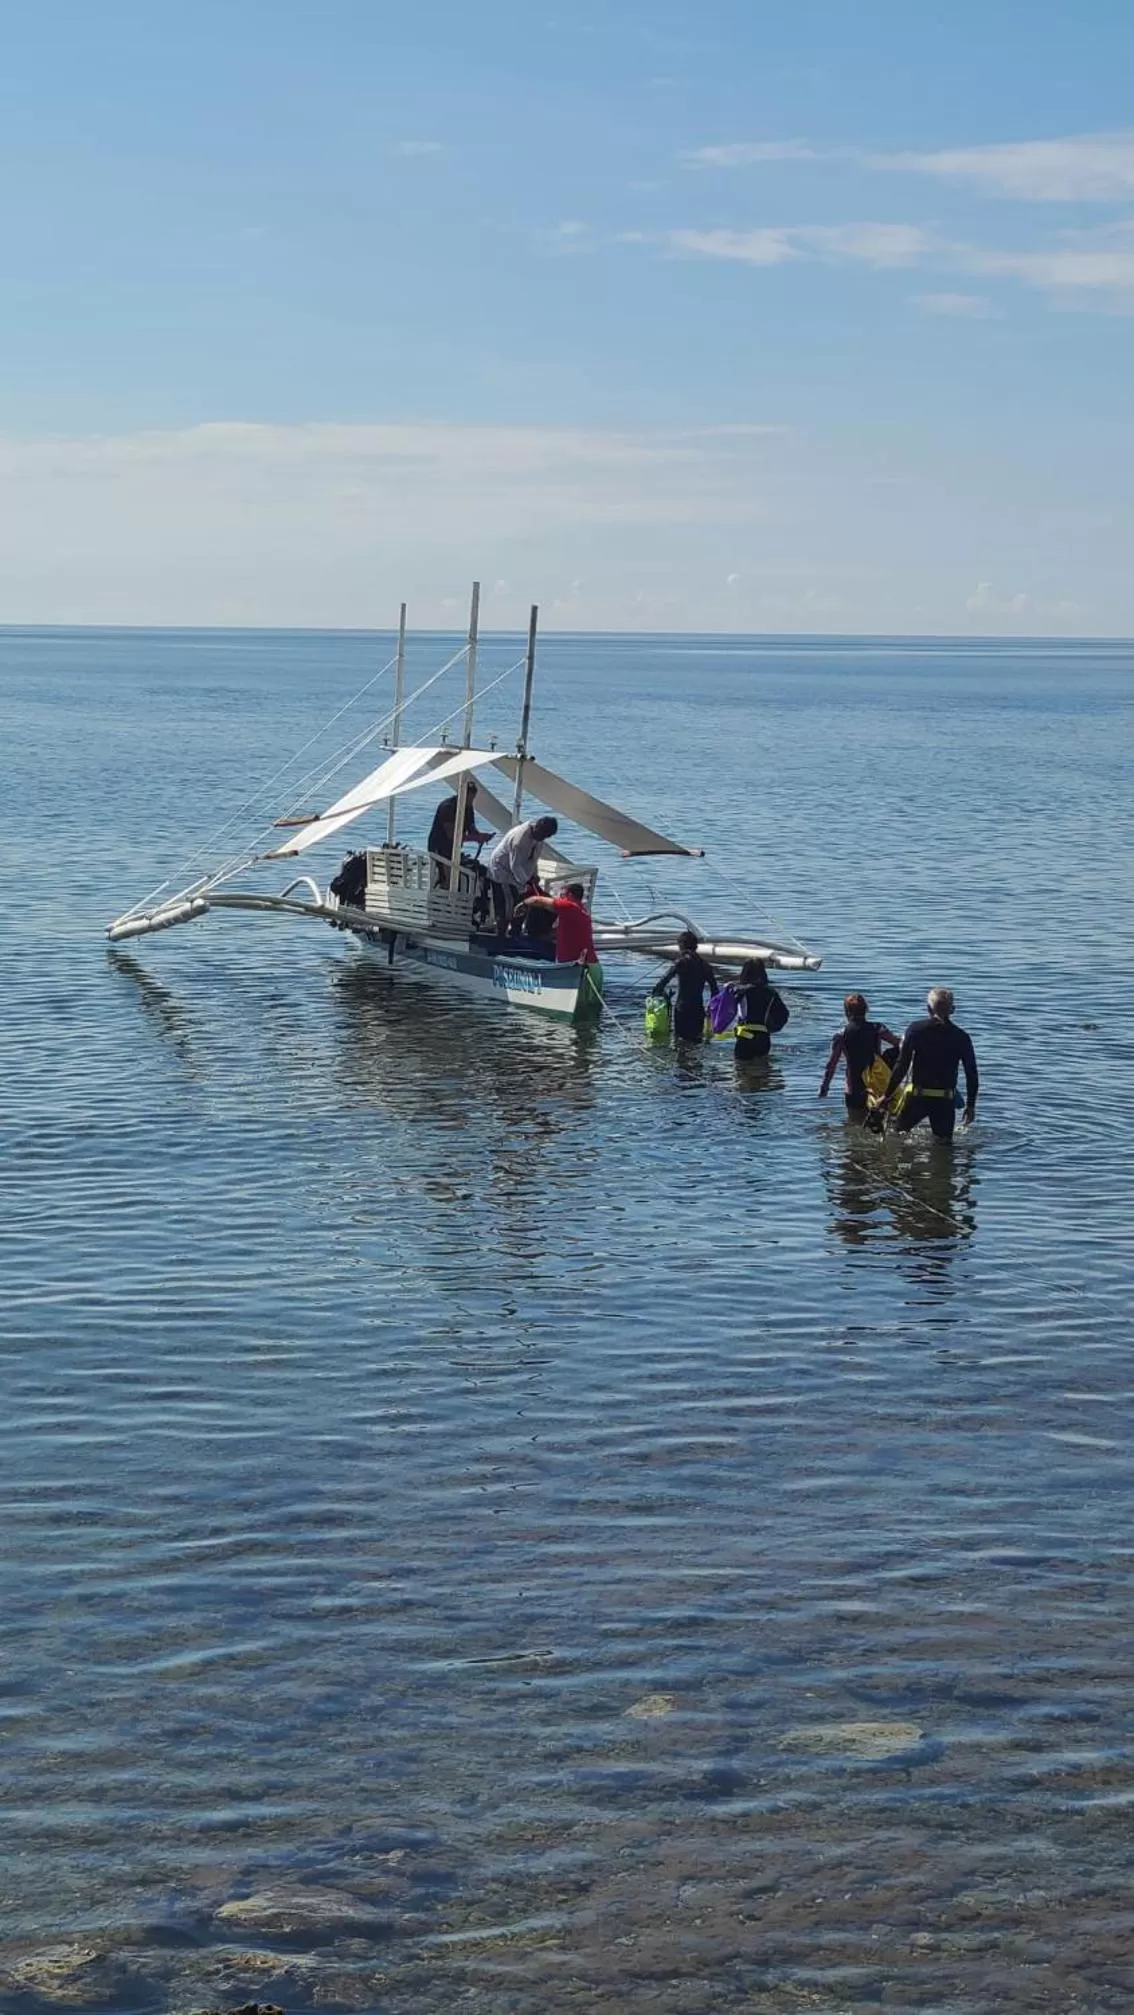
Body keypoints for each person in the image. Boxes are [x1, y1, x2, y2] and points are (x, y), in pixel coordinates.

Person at [885, 986, 979, 1140]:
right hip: (944, 1101)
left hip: (917, 1099)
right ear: (953, 1010)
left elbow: (901, 1066)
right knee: (944, 1148)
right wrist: (970, 1106)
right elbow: (971, 1074)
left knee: (896, 1138)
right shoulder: (961, 1037)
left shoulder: (915, 1030)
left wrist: (886, 1096)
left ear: (928, 1008)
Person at [819, 993, 903, 1116]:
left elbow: (831, 1065)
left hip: (854, 1089)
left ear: (846, 1012)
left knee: (854, 1124)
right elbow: (899, 1044)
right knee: (880, 1122)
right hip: (877, 1086)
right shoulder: (878, 1028)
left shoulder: (841, 1035)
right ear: (866, 1009)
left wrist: (824, 1087)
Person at [485, 815, 559, 936]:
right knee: (506, 908)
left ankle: (515, 932)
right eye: (543, 834)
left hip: (519, 877)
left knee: (522, 904)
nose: (543, 838)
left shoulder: (539, 839)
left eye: (546, 836)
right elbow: (515, 865)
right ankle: (501, 936)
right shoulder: (520, 840)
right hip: (502, 873)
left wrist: (534, 875)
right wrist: (527, 880)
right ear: (537, 828)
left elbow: (533, 860)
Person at [651, 930, 718, 1044]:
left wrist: (666, 998)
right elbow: (715, 991)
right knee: (696, 1042)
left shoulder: (681, 963)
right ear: (695, 946)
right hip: (698, 1010)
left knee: (680, 1043)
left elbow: (659, 987)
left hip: (682, 1009)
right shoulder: (705, 965)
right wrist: (710, 1010)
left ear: (681, 945)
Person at [513, 882, 598, 965]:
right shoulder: (582, 911)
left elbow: (537, 900)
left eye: (561, 895)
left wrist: (523, 904)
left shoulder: (569, 906)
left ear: (569, 895)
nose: (559, 898)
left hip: (579, 965)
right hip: (591, 964)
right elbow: (561, 933)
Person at [427, 783, 494, 886]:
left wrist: (481, 836)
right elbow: (452, 835)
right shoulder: (448, 807)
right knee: (449, 879)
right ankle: (446, 894)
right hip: (439, 849)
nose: (469, 802)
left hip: (454, 850)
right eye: (468, 798)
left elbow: (471, 829)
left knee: (475, 870)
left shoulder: (469, 808)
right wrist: (476, 838)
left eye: (472, 798)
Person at [731, 958, 789, 1061]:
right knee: (763, 1070)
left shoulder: (740, 991)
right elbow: (784, 1014)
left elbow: (725, 1010)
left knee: (741, 1071)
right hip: (763, 1037)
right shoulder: (772, 993)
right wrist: (772, 1028)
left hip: (745, 1037)